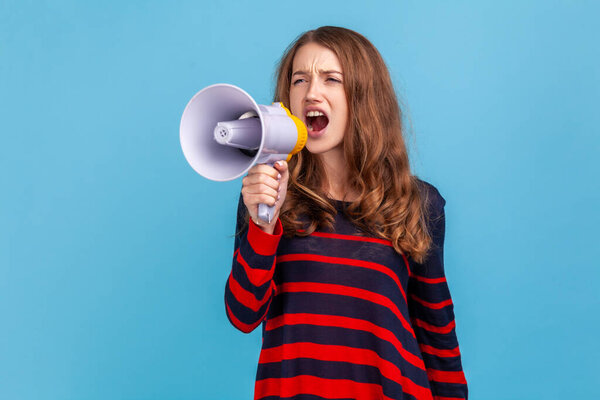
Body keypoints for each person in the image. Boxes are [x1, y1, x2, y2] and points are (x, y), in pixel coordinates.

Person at [224, 26, 468, 400]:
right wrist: (263, 223)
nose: (311, 93)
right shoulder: (265, 198)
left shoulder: (416, 202)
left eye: (331, 79)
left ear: (364, 95)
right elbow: (243, 314)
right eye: (299, 79)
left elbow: (438, 337)